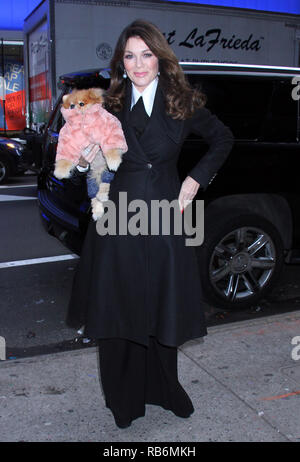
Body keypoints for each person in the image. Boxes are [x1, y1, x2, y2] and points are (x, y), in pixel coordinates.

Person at [66, 19, 234, 429]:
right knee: (117, 309)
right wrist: (86, 161)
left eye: (146, 54)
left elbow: (223, 139)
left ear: (160, 58)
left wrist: (195, 179)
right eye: (129, 56)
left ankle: (164, 389)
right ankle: (123, 401)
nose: (138, 64)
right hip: (117, 218)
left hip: (165, 216)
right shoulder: (107, 104)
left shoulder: (183, 101)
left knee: (162, 308)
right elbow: (78, 164)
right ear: (121, 62)